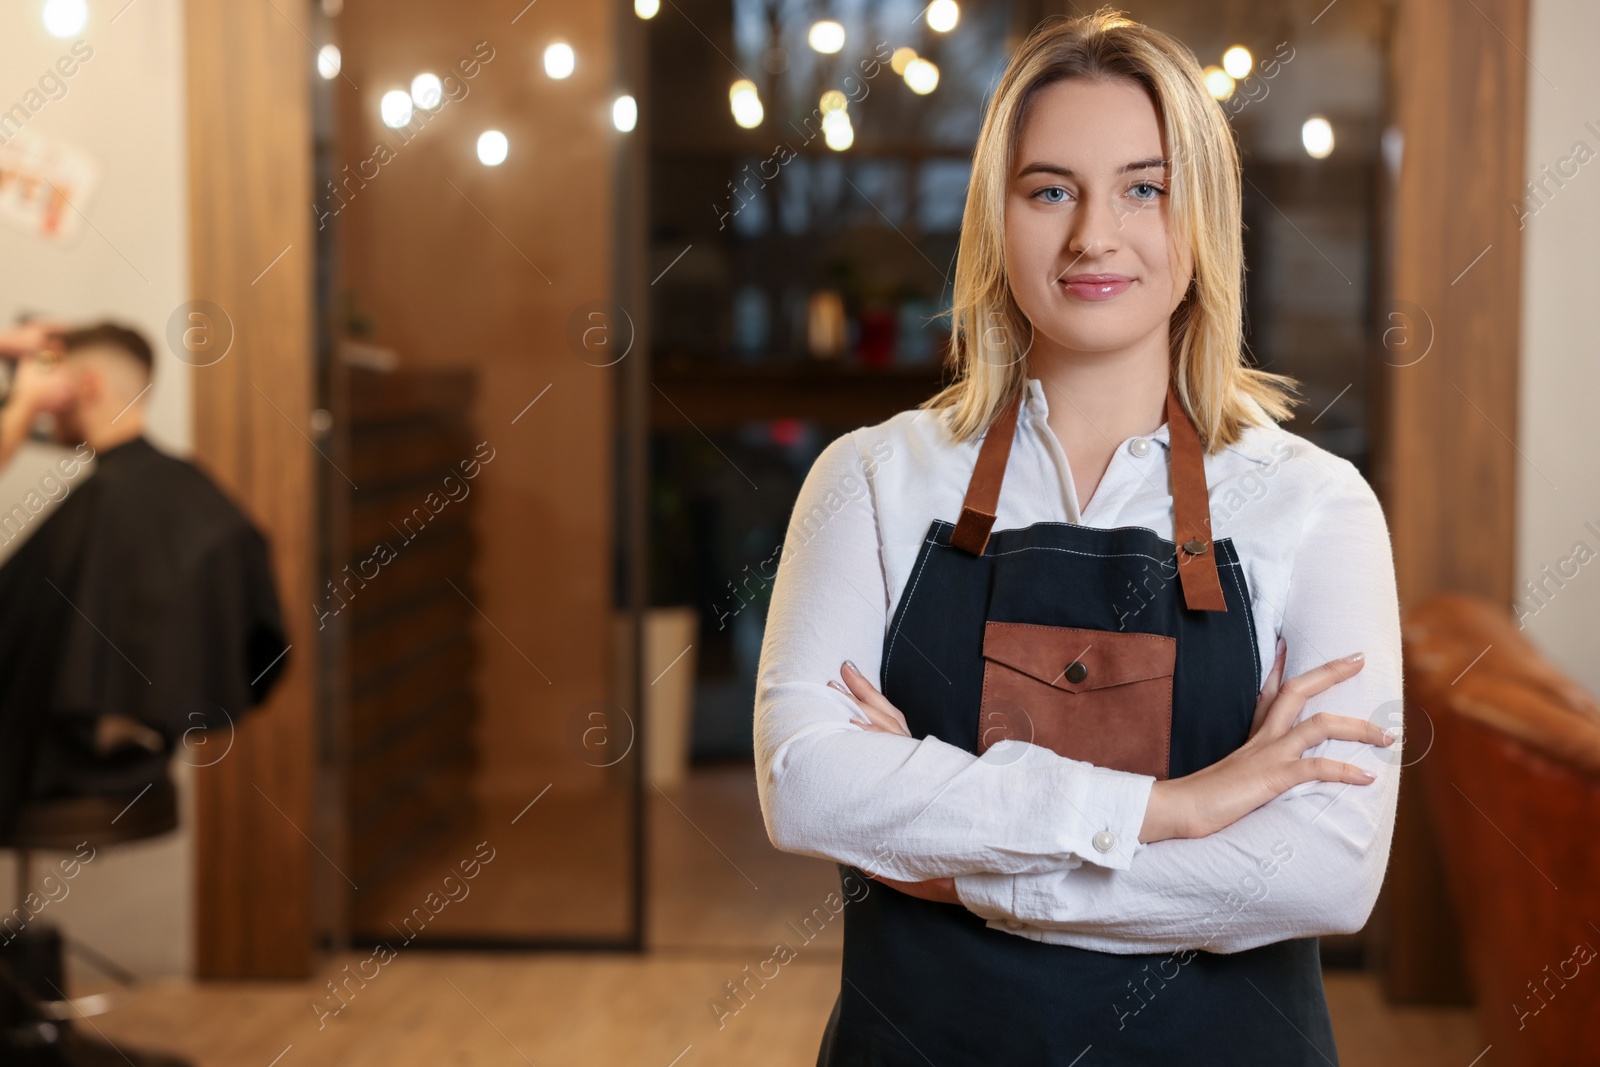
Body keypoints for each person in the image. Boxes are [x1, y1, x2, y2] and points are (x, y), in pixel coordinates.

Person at [753, 10, 1403, 1066]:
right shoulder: (867, 480)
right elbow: (806, 785)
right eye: (1049, 188)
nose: (1094, 234)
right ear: (994, 219)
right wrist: (1178, 809)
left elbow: (1322, 869)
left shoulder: (1315, 505)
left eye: (1143, 187)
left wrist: (953, 863)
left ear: (1201, 215)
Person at [0, 320, 288, 840]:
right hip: (142, 761)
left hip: (44, 764)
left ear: (84, 385)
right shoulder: (196, 494)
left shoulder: (105, 504)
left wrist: (21, 405)